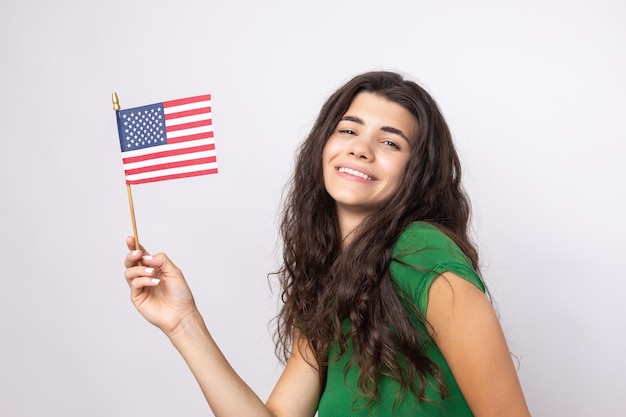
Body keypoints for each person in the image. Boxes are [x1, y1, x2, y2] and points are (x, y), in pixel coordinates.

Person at [124, 71, 531, 417]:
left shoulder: (422, 253)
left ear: (417, 172)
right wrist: (183, 324)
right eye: (349, 130)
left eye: (390, 142)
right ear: (324, 145)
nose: (360, 148)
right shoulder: (334, 280)